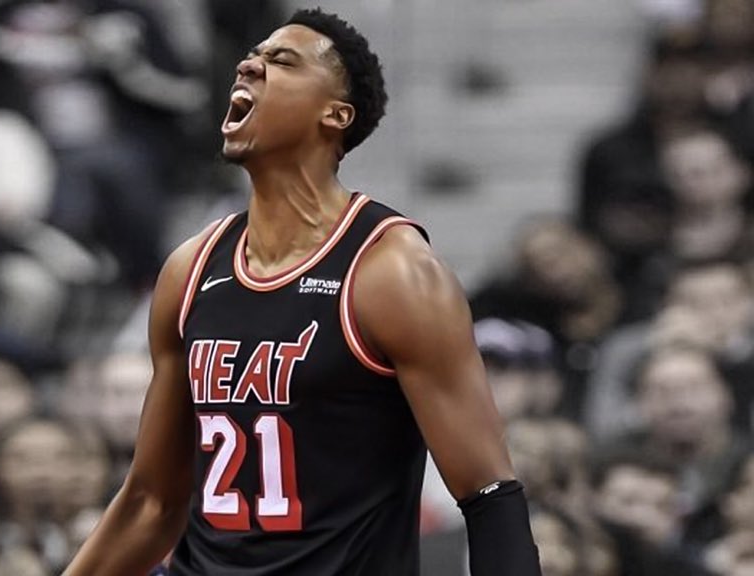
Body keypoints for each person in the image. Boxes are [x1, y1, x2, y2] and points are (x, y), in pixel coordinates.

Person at [63, 8, 540, 575]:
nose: (248, 67)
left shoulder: (391, 271)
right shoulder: (189, 269)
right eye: (251, 58)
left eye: (281, 61)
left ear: (335, 114)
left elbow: (488, 494)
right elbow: (152, 500)